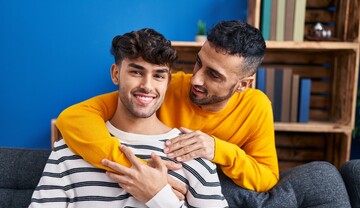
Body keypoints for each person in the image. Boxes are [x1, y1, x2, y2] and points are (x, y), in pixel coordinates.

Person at [13, 28, 233, 208]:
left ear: (168, 81)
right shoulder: (69, 149)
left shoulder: (189, 153)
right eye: (136, 72)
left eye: (158, 75)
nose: (147, 86)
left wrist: (160, 198)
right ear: (116, 74)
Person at [56, 20, 279, 192]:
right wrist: (136, 168)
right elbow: (74, 117)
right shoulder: (163, 89)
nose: (195, 79)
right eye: (199, 63)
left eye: (213, 75)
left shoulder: (256, 107)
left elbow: (267, 177)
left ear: (243, 84)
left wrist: (218, 149)